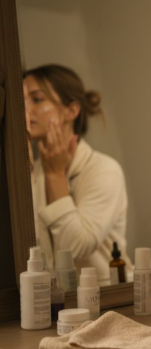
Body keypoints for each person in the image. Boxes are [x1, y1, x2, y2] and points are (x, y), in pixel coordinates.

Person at [24, 64, 128, 284]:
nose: (25, 109)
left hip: (108, 303)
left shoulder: (103, 170)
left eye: (36, 99)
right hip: (55, 306)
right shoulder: (29, 173)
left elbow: (75, 246)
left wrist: (55, 175)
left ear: (71, 111)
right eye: (21, 99)